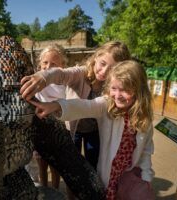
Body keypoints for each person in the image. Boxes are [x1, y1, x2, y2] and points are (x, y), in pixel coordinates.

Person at [27, 60, 155, 200]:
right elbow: (84, 106)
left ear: (139, 90)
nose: (117, 95)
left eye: (124, 89)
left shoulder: (144, 118)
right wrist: (56, 105)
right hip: (109, 175)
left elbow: (146, 150)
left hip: (130, 175)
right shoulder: (107, 105)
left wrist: (146, 177)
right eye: (114, 88)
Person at [21, 41, 131, 171]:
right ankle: (71, 192)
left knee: (93, 163)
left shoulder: (113, 87)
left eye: (112, 68)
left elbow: (93, 106)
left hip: (95, 131)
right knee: (72, 166)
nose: (104, 71)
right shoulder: (81, 73)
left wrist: (57, 105)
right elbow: (62, 74)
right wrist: (43, 77)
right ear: (96, 57)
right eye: (102, 63)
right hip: (74, 130)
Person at [29, 44, 67, 189]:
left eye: (53, 64)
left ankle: (56, 191)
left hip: (57, 128)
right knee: (42, 164)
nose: (48, 66)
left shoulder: (63, 84)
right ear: (40, 64)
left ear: (62, 66)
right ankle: (45, 191)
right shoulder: (36, 80)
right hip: (40, 128)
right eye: (45, 62)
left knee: (56, 166)